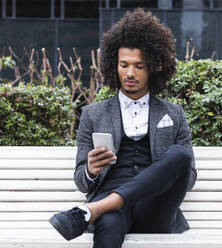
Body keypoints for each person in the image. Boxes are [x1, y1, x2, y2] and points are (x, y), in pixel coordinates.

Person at [49, 8, 197, 248]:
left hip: (155, 206)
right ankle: (102, 209)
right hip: (111, 206)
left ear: (153, 67)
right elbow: (81, 181)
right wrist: (91, 170)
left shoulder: (174, 114)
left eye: (139, 66)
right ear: (113, 66)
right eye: (124, 65)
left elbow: (188, 178)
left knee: (180, 155)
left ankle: (91, 210)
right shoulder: (92, 114)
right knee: (108, 223)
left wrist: (158, 175)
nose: (130, 73)